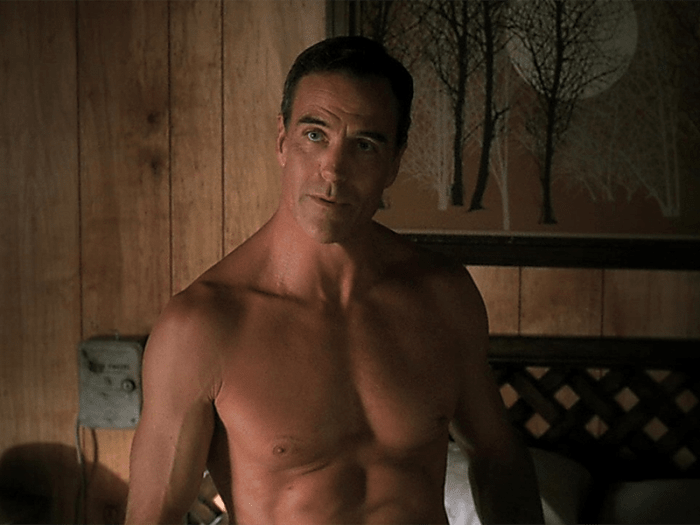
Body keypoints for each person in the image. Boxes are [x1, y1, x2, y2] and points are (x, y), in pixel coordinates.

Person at [125, 36, 544, 525]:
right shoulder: (201, 325)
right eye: (315, 134)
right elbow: (153, 517)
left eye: (364, 145)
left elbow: (498, 458)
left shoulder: (443, 296)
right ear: (282, 140)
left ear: (394, 162)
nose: (334, 170)